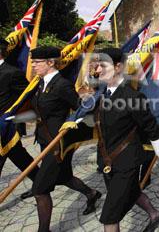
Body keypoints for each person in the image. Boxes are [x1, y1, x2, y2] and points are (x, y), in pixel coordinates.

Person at [93, 48, 159, 232]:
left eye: (102, 65)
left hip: (127, 163)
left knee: (109, 216)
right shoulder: (103, 95)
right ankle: (154, 214)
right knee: (132, 192)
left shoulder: (133, 97)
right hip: (107, 160)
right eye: (97, 66)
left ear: (118, 67)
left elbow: (151, 126)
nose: (97, 70)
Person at [30, 46, 101, 232]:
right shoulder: (40, 83)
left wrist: (72, 121)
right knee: (63, 177)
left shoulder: (62, 85)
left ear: (50, 63)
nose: (33, 66)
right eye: (32, 62)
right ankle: (91, 193)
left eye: (36, 63)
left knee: (40, 190)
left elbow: (81, 109)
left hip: (59, 144)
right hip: (46, 140)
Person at [0, 38, 38, 200]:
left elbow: (29, 96)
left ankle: (41, 184)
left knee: (18, 158)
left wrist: (21, 117)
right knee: (21, 159)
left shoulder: (12, 73)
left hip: (8, 129)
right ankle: (40, 184)